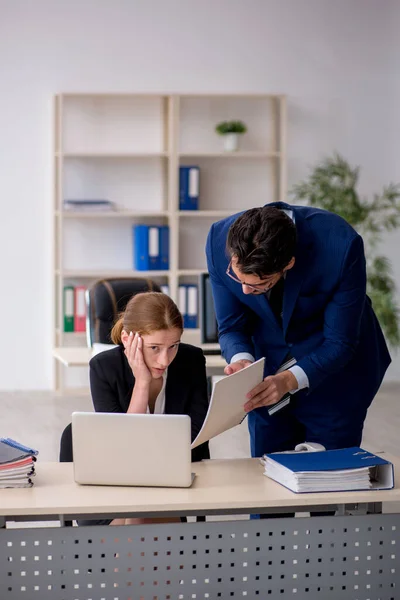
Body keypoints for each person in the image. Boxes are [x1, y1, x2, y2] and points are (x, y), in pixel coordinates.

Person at [206, 201, 391, 459]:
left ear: (288, 264)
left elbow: (339, 342)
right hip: (267, 373)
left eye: (260, 285)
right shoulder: (218, 240)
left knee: (328, 476)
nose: (245, 291)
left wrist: (290, 380)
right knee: (267, 471)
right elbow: (230, 326)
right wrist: (242, 360)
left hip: (334, 375)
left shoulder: (340, 245)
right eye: (238, 279)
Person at [87, 291, 209, 525]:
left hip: (170, 487)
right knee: (137, 517)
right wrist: (142, 383)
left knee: (140, 518)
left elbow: (194, 443)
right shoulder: (104, 369)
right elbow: (122, 451)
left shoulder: (191, 361)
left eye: (173, 346)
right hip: (116, 489)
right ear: (127, 339)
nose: (165, 360)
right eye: (154, 348)